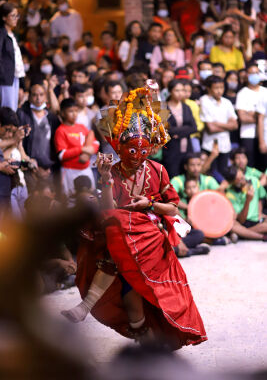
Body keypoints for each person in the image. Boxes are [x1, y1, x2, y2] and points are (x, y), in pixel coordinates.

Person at [61, 83, 207, 348]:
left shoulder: (158, 170)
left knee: (134, 287)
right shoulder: (114, 172)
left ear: (150, 148)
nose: (137, 157)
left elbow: (173, 208)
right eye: (131, 151)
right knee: (130, 297)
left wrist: (149, 205)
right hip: (120, 241)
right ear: (120, 148)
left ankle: (87, 306)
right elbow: (108, 210)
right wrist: (105, 179)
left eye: (143, 151)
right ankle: (145, 341)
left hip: (150, 245)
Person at [54, 98, 99, 198]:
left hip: (86, 169)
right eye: (70, 111)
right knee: (71, 200)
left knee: (90, 197)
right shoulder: (61, 130)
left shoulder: (82, 127)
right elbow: (61, 155)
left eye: (76, 111)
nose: (74, 114)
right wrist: (82, 149)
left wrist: (93, 149)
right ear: (62, 113)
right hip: (70, 171)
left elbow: (95, 142)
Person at [200, 75, 238, 175]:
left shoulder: (227, 102)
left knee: (223, 172)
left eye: (221, 87)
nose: (219, 91)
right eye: (216, 88)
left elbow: (235, 125)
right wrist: (227, 126)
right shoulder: (204, 100)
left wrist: (217, 123)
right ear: (208, 88)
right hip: (209, 145)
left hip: (225, 145)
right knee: (210, 173)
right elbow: (210, 128)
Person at [162, 79, 197, 178]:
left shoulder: (186, 107)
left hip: (187, 148)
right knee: (173, 176)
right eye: (177, 90)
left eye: (182, 90)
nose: (180, 93)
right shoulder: (163, 108)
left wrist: (177, 133)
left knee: (188, 177)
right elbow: (166, 129)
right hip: (171, 149)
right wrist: (185, 130)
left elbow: (194, 127)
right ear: (170, 91)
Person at [235, 62, 266, 167]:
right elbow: (242, 117)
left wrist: (252, 114)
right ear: (246, 75)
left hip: (265, 135)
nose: (255, 75)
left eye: (257, 73)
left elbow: (248, 115)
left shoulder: (265, 92)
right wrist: (262, 117)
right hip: (248, 135)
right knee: (250, 164)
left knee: (263, 165)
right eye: (252, 73)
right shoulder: (242, 93)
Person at [225, 166, 267, 241]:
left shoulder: (253, 180)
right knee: (232, 225)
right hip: (244, 223)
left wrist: (259, 213)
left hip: (257, 221)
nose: (244, 180)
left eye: (243, 176)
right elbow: (241, 220)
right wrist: (248, 200)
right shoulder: (230, 194)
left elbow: (261, 197)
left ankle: (242, 234)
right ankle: (262, 237)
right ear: (232, 183)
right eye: (240, 180)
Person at [0, 2, 25, 111]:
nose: (16, 18)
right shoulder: (1, 34)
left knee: (13, 109)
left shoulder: (12, 34)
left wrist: (21, 84)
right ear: (4, 17)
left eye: (17, 15)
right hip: (5, 78)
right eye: (13, 16)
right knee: (7, 110)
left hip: (14, 77)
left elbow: (17, 60)